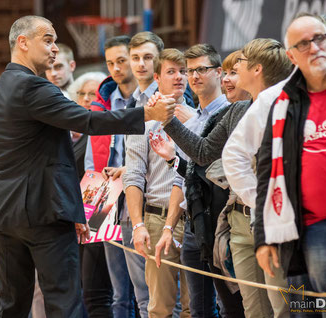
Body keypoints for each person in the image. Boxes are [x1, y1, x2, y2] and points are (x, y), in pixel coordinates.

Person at [0, 15, 175, 317]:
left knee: (10, 305)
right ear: (22, 42)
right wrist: (147, 113)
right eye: (47, 40)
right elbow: (88, 120)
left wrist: (74, 209)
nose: (54, 49)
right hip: (43, 213)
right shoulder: (34, 87)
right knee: (65, 303)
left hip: (7, 214)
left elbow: (38, 157)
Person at [255, 14, 326, 316]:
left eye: (320, 38)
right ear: (291, 55)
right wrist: (263, 236)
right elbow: (266, 172)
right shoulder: (283, 104)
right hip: (320, 231)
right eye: (303, 43)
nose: (315, 48)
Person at [151, 44, 246, 318]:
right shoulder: (193, 119)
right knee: (200, 310)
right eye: (189, 71)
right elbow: (190, 177)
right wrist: (169, 226)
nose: (193, 76)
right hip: (196, 223)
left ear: (219, 73)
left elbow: (206, 158)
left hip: (226, 223)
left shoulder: (233, 111)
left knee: (235, 306)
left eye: (201, 69)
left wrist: (167, 121)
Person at [124, 47, 192, 318]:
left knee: (196, 307)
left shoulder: (199, 115)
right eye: (171, 72)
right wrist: (138, 224)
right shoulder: (145, 118)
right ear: (157, 77)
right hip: (156, 218)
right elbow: (133, 175)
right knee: (160, 308)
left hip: (194, 220)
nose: (179, 77)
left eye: (183, 71)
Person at [85, 35, 146, 318]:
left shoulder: (149, 101)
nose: (117, 68)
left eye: (122, 60)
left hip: (143, 196)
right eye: (111, 63)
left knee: (145, 289)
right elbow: (90, 160)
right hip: (108, 201)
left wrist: (129, 171)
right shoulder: (101, 105)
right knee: (118, 292)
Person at [69, 71, 115, 317]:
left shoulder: (103, 130)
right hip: (87, 212)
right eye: (83, 94)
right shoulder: (77, 138)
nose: (88, 99)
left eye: (93, 94)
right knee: (88, 292)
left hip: (106, 207)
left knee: (102, 294)